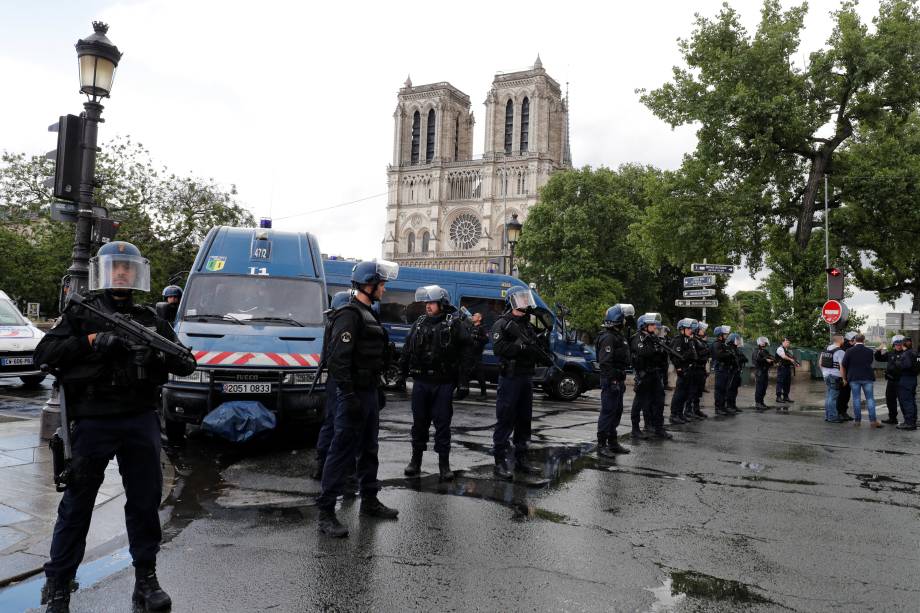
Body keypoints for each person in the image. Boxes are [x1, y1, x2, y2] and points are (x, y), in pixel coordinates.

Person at [34, 241, 197, 613]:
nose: (122, 273)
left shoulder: (151, 319)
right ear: (104, 271)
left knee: (143, 502)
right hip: (93, 421)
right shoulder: (83, 313)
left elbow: (186, 363)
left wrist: (154, 353)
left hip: (139, 419)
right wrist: (92, 341)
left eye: (128, 267)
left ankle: (146, 579)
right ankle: (59, 587)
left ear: (137, 272)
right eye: (115, 267)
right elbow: (45, 355)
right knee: (77, 506)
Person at [317, 259, 400, 538]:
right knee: (341, 451)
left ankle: (370, 501)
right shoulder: (349, 314)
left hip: (368, 392)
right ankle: (326, 513)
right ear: (369, 284)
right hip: (352, 394)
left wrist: (375, 391)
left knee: (369, 449)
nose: (385, 289)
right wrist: (349, 394)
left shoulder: (368, 313)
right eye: (381, 284)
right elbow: (339, 360)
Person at [400, 285, 474, 481]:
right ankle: (415, 461)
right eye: (426, 302)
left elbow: (467, 354)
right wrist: (401, 373)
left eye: (431, 302)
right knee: (419, 424)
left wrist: (463, 382)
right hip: (421, 382)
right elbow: (408, 349)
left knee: (442, 425)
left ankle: (444, 464)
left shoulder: (454, 324)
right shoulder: (419, 323)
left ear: (442, 304)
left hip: (443, 383)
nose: (428, 306)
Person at [490, 286, 554, 479]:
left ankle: (521, 460)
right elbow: (499, 348)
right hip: (510, 377)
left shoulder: (527, 324)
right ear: (512, 301)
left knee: (524, 420)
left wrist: (539, 350)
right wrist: (519, 347)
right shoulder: (502, 323)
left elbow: (535, 347)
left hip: (526, 377)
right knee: (505, 419)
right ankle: (500, 462)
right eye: (521, 299)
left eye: (526, 299)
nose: (525, 302)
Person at [311, 290, 355, 481]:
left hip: (333, 379)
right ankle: (346, 469)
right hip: (342, 379)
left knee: (329, 423)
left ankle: (322, 465)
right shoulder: (343, 323)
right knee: (344, 425)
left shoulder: (332, 321)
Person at [595, 303, 635, 456]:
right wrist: (613, 380)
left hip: (618, 379)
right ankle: (601, 445)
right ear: (618, 319)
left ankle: (612, 442)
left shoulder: (618, 336)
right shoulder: (608, 338)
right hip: (611, 380)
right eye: (624, 318)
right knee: (608, 411)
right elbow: (605, 363)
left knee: (616, 411)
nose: (626, 321)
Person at [631, 313, 671, 440]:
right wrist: (655, 349)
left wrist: (660, 350)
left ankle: (658, 428)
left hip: (654, 374)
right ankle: (635, 429)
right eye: (652, 324)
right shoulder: (637, 338)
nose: (655, 327)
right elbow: (643, 352)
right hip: (643, 374)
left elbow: (661, 357)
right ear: (644, 326)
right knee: (639, 402)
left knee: (659, 401)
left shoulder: (654, 338)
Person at [840, 333, 881, 428]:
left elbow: (844, 364)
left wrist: (845, 377)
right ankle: (873, 421)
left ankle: (857, 421)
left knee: (856, 399)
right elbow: (870, 362)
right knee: (870, 399)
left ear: (855, 340)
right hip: (867, 377)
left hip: (854, 377)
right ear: (864, 340)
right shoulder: (869, 351)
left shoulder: (849, 351)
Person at [668, 318, 698, 425]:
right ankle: (674, 415)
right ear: (682, 329)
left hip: (689, 369)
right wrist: (679, 368)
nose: (691, 330)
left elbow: (693, 355)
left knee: (685, 394)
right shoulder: (678, 340)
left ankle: (680, 414)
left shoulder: (688, 340)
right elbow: (675, 356)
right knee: (679, 394)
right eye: (688, 328)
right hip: (683, 370)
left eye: (691, 328)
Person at [875, 336, 905, 424]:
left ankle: (908, 420)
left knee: (903, 401)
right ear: (893, 345)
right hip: (891, 381)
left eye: (900, 344)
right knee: (890, 400)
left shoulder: (906, 354)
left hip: (902, 381)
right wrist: (878, 350)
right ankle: (892, 418)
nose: (898, 346)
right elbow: (878, 358)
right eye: (896, 344)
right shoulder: (890, 353)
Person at [684, 321, 710, 419]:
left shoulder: (700, 340)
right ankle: (688, 410)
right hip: (695, 368)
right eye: (702, 329)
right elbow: (695, 355)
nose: (704, 331)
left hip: (701, 368)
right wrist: (705, 351)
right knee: (692, 390)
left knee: (698, 391)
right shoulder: (693, 340)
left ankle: (696, 409)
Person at [819, 335, 845, 423]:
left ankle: (827, 415)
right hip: (835, 376)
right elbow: (842, 366)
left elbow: (820, 363)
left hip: (826, 375)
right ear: (840, 340)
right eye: (843, 339)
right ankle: (832, 416)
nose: (843, 340)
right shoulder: (840, 351)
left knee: (829, 396)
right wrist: (844, 378)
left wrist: (824, 372)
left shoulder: (825, 350)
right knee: (833, 397)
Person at [711, 326, 736, 416]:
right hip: (720, 369)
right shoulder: (716, 344)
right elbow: (719, 355)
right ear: (720, 335)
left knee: (724, 389)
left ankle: (723, 406)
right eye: (725, 334)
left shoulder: (723, 344)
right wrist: (729, 354)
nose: (726, 335)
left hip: (725, 369)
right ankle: (718, 408)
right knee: (719, 389)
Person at [896, 337, 918, 431]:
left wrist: (898, 363)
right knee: (912, 400)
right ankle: (913, 420)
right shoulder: (915, 353)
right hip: (913, 378)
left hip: (906, 379)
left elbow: (907, 365)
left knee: (906, 401)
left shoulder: (906, 354)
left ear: (903, 344)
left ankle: (909, 423)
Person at [836, 331, 857, 421]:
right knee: (842, 395)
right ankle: (840, 413)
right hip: (843, 375)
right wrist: (844, 377)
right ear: (851, 340)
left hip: (846, 374)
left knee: (845, 395)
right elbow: (843, 364)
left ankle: (843, 412)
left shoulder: (847, 348)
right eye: (855, 339)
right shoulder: (845, 349)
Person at [468, 312, 490, 398]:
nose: (473, 317)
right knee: (464, 373)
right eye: (473, 315)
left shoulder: (482, 328)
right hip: (469, 354)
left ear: (479, 318)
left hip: (477, 355)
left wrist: (476, 336)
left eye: (475, 316)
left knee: (480, 375)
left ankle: (484, 394)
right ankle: (461, 391)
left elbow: (486, 339)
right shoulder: (471, 327)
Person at [725, 333, 747, 412]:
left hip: (737, 371)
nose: (738, 341)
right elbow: (731, 359)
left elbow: (744, 358)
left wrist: (740, 358)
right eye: (737, 339)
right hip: (731, 372)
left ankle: (733, 405)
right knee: (730, 389)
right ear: (733, 339)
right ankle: (728, 406)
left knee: (735, 389)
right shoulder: (729, 348)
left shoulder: (736, 349)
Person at [752, 336, 774, 410]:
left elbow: (770, 358)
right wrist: (765, 359)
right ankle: (758, 403)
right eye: (763, 342)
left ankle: (761, 402)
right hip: (759, 372)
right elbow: (756, 360)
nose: (764, 343)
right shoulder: (757, 351)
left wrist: (772, 361)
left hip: (764, 371)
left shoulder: (764, 351)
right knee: (759, 388)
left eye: (765, 342)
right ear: (760, 343)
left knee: (764, 388)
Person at [775, 338, 796, 405]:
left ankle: (786, 397)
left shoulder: (787, 350)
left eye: (789, 342)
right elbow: (783, 357)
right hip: (782, 368)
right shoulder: (780, 349)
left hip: (787, 368)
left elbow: (792, 358)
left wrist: (795, 362)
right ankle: (778, 397)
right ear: (783, 342)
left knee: (787, 383)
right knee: (780, 382)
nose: (788, 343)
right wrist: (790, 359)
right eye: (787, 342)